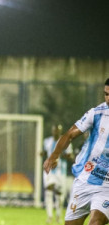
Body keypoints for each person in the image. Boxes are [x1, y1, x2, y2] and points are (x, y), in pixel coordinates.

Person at [43, 78, 109, 225]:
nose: (108, 98)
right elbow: (70, 134)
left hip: (106, 187)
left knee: (96, 222)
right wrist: (54, 155)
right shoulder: (96, 114)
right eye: (106, 94)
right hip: (84, 180)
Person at [41, 124, 73, 224]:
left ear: (60, 131)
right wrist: (43, 154)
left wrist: (60, 156)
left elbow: (70, 156)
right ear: (52, 131)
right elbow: (45, 152)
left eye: (58, 131)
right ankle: (49, 216)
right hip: (49, 170)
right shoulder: (47, 141)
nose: (56, 132)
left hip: (60, 171)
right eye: (54, 130)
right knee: (48, 190)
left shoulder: (65, 141)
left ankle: (58, 215)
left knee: (59, 194)